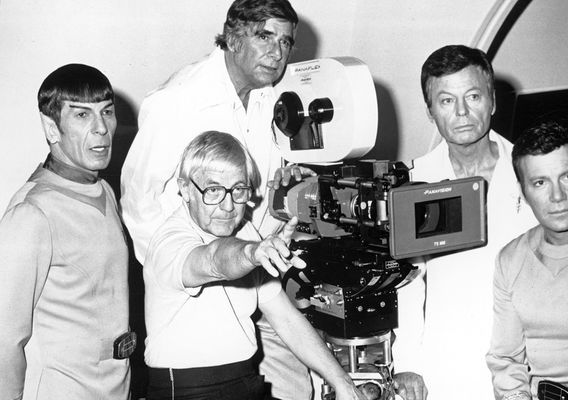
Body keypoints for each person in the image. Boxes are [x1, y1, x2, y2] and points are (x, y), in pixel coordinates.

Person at [120, 1, 312, 397]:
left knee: (299, 389)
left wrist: (286, 188)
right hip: (200, 288)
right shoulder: (177, 100)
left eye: (285, 41)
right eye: (264, 36)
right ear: (232, 36)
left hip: (260, 280)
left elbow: (258, 199)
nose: (277, 53)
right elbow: (139, 201)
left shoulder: (272, 100)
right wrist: (182, 275)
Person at [143, 131, 364, 400]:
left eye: (238, 190)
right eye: (213, 190)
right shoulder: (170, 241)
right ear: (186, 189)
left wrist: (342, 382)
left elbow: (286, 319)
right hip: (188, 389)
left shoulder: (245, 230)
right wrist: (252, 253)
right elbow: (214, 260)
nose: (227, 206)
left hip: (244, 381)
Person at [392, 45, 538, 400]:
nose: (461, 112)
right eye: (445, 101)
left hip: (526, 362)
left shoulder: (532, 173)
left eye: (472, 96)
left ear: (492, 101)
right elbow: (408, 284)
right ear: (430, 111)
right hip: (446, 364)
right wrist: (408, 362)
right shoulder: (414, 181)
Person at [0, 64, 133, 399]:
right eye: (82, 115)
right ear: (51, 127)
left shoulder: (104, 191)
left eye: (107, 112)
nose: (102, 128)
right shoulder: (32, 214)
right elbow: (3, 338)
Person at [486, 121, 568, 400]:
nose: (557, 196)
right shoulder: (510, 260)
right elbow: (505, 360)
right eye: (540, 183)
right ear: (523, 192)